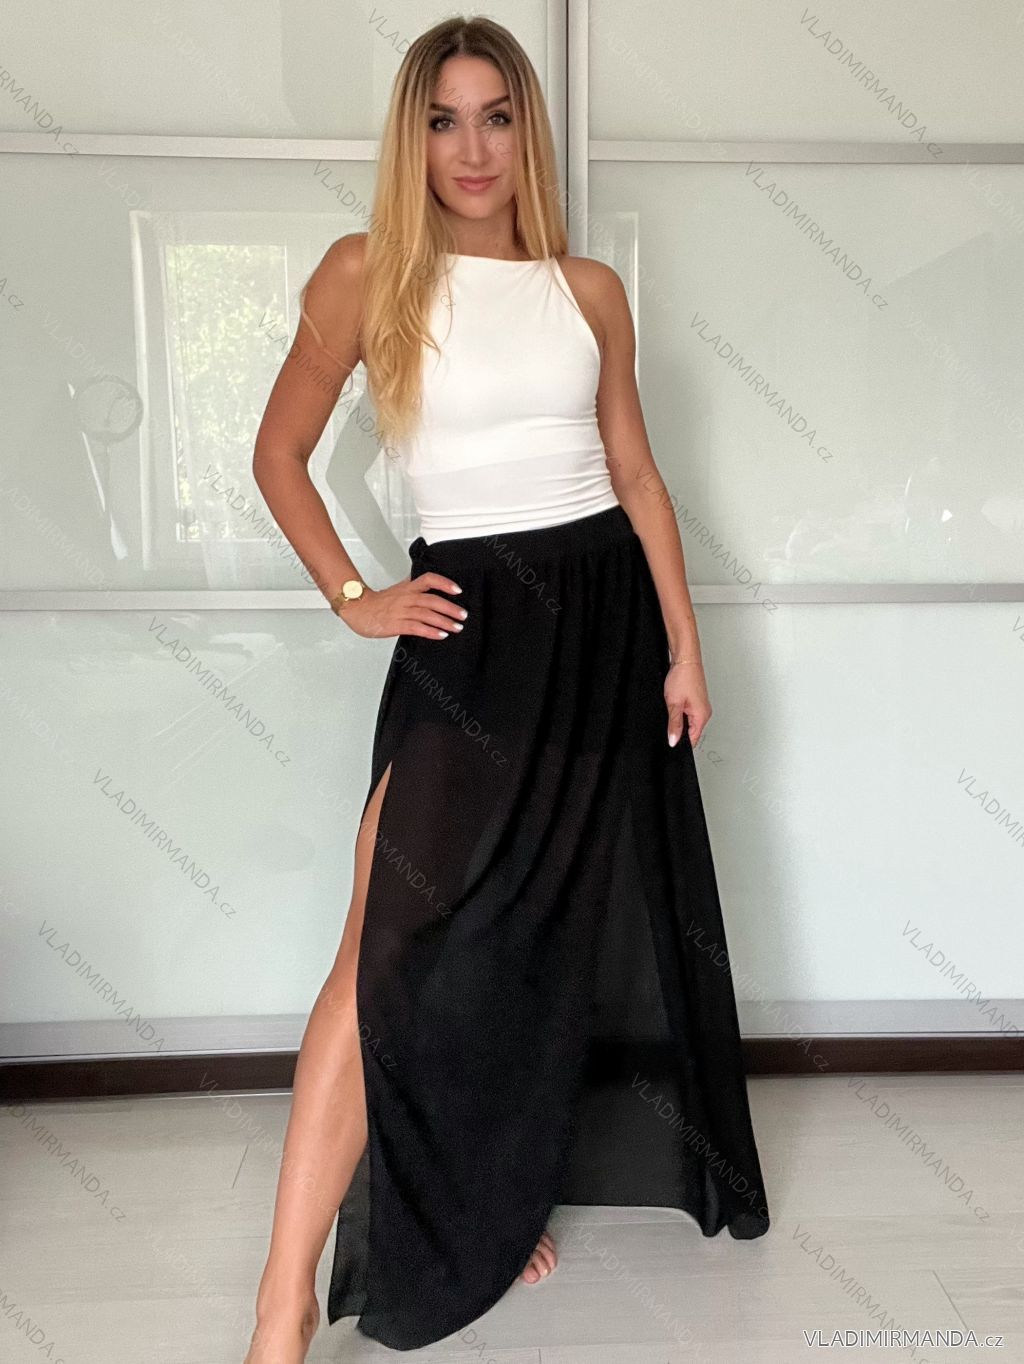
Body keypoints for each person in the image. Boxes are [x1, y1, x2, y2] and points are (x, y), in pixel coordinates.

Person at [244, 15, 769, 1362]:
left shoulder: (586, 289)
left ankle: (480, 1201)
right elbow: (278, 454)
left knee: (527, 939)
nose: (471, 148)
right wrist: (356, 596)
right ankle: (280, 1305)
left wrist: (685, 646)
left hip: (601, 634)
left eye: (494, 118)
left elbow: (637, 477)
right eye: (442, 120)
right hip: (472, 635)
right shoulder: (365, 273)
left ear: (525, 133)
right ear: (410, 139)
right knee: (383, 952)